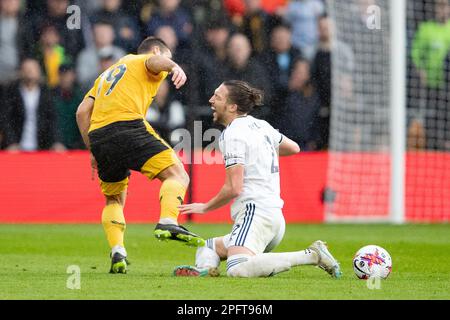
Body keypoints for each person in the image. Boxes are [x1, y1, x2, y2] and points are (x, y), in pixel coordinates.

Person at [174, 80, 342, 278]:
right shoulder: (260, 126)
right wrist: (261, 151)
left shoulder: (233, 134)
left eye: (217, 97)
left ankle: (311, 255)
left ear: (232, 106)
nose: (211, 100)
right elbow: (294, 148)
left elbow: (234, 188)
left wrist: (205, 207)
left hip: (255, 212)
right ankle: (205, 270)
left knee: (237, 269)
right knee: (207, 247)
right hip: (273, 217)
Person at [76, 37, 204, 274]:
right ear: (157, 51)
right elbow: (155, 62)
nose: (168, 66)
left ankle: (118, 251)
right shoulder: (143, 60)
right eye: (168, 56)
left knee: (114, 199)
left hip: (100, 137)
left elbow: (82, 111)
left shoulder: (107, 74)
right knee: (177, 174)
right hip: (127, 126)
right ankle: (168, 221)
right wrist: (174, 66)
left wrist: (93, 150)